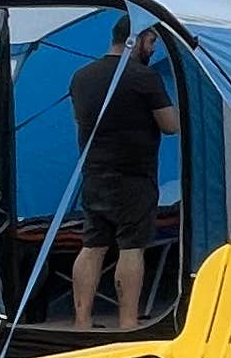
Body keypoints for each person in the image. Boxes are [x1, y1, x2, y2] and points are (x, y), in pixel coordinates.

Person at [64, 18, 178, 332]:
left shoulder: (81, 77)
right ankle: (128, 324)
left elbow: (80, 121)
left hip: (94, 175)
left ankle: (81, 323)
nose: (153, 50)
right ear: (136, 39)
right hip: (134, 176)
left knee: (92, 246)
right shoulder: (144, 78)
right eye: (151, 42)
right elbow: (170, 126)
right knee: (131, 248)